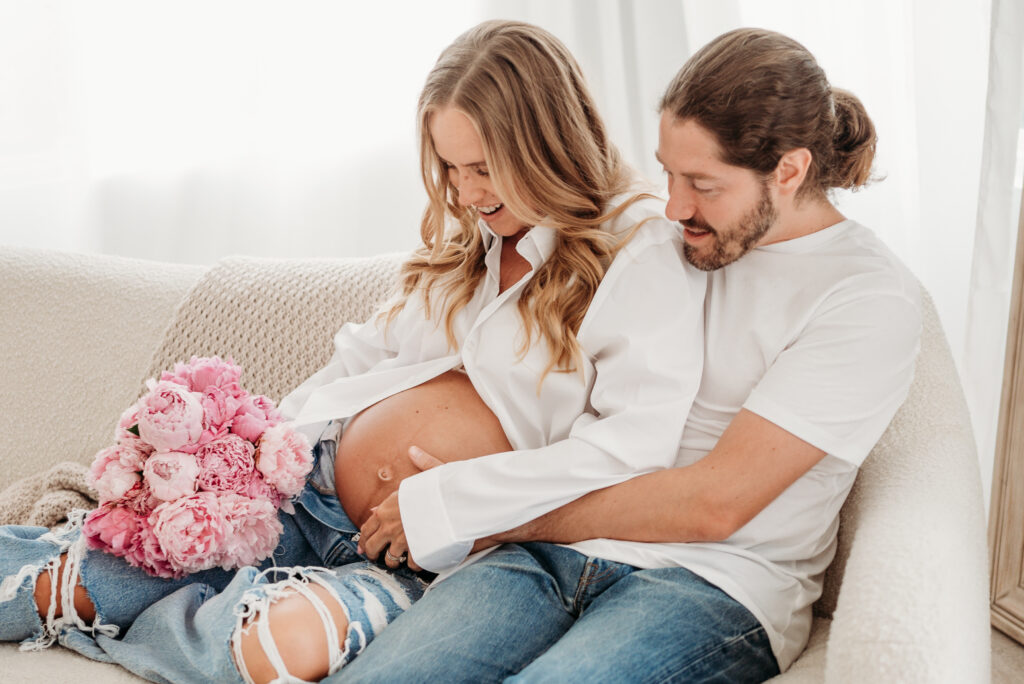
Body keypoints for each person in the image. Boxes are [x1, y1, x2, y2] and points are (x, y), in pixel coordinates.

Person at [0, 20, 705, 684]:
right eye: (450, 167)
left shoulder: (634, 250)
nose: (464, 191)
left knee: (271, 652)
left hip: (421, 556)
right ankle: (96, 594)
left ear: (547, 147)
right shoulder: (468, 246)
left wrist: (451, 502)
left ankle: (147, 610)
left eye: (483, 168)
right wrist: (254, 459)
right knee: (68, 588)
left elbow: (626, 447)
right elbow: (358, 362)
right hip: (306, 493)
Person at [337, 27, 923, 683]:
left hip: (713, 582)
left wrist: (475, 510)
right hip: (548, 553)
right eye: (669, 172)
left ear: (789, 171)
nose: (672, 206)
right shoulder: (666, 242)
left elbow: (714, 505)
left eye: (701, 184)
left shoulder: (866, 299)